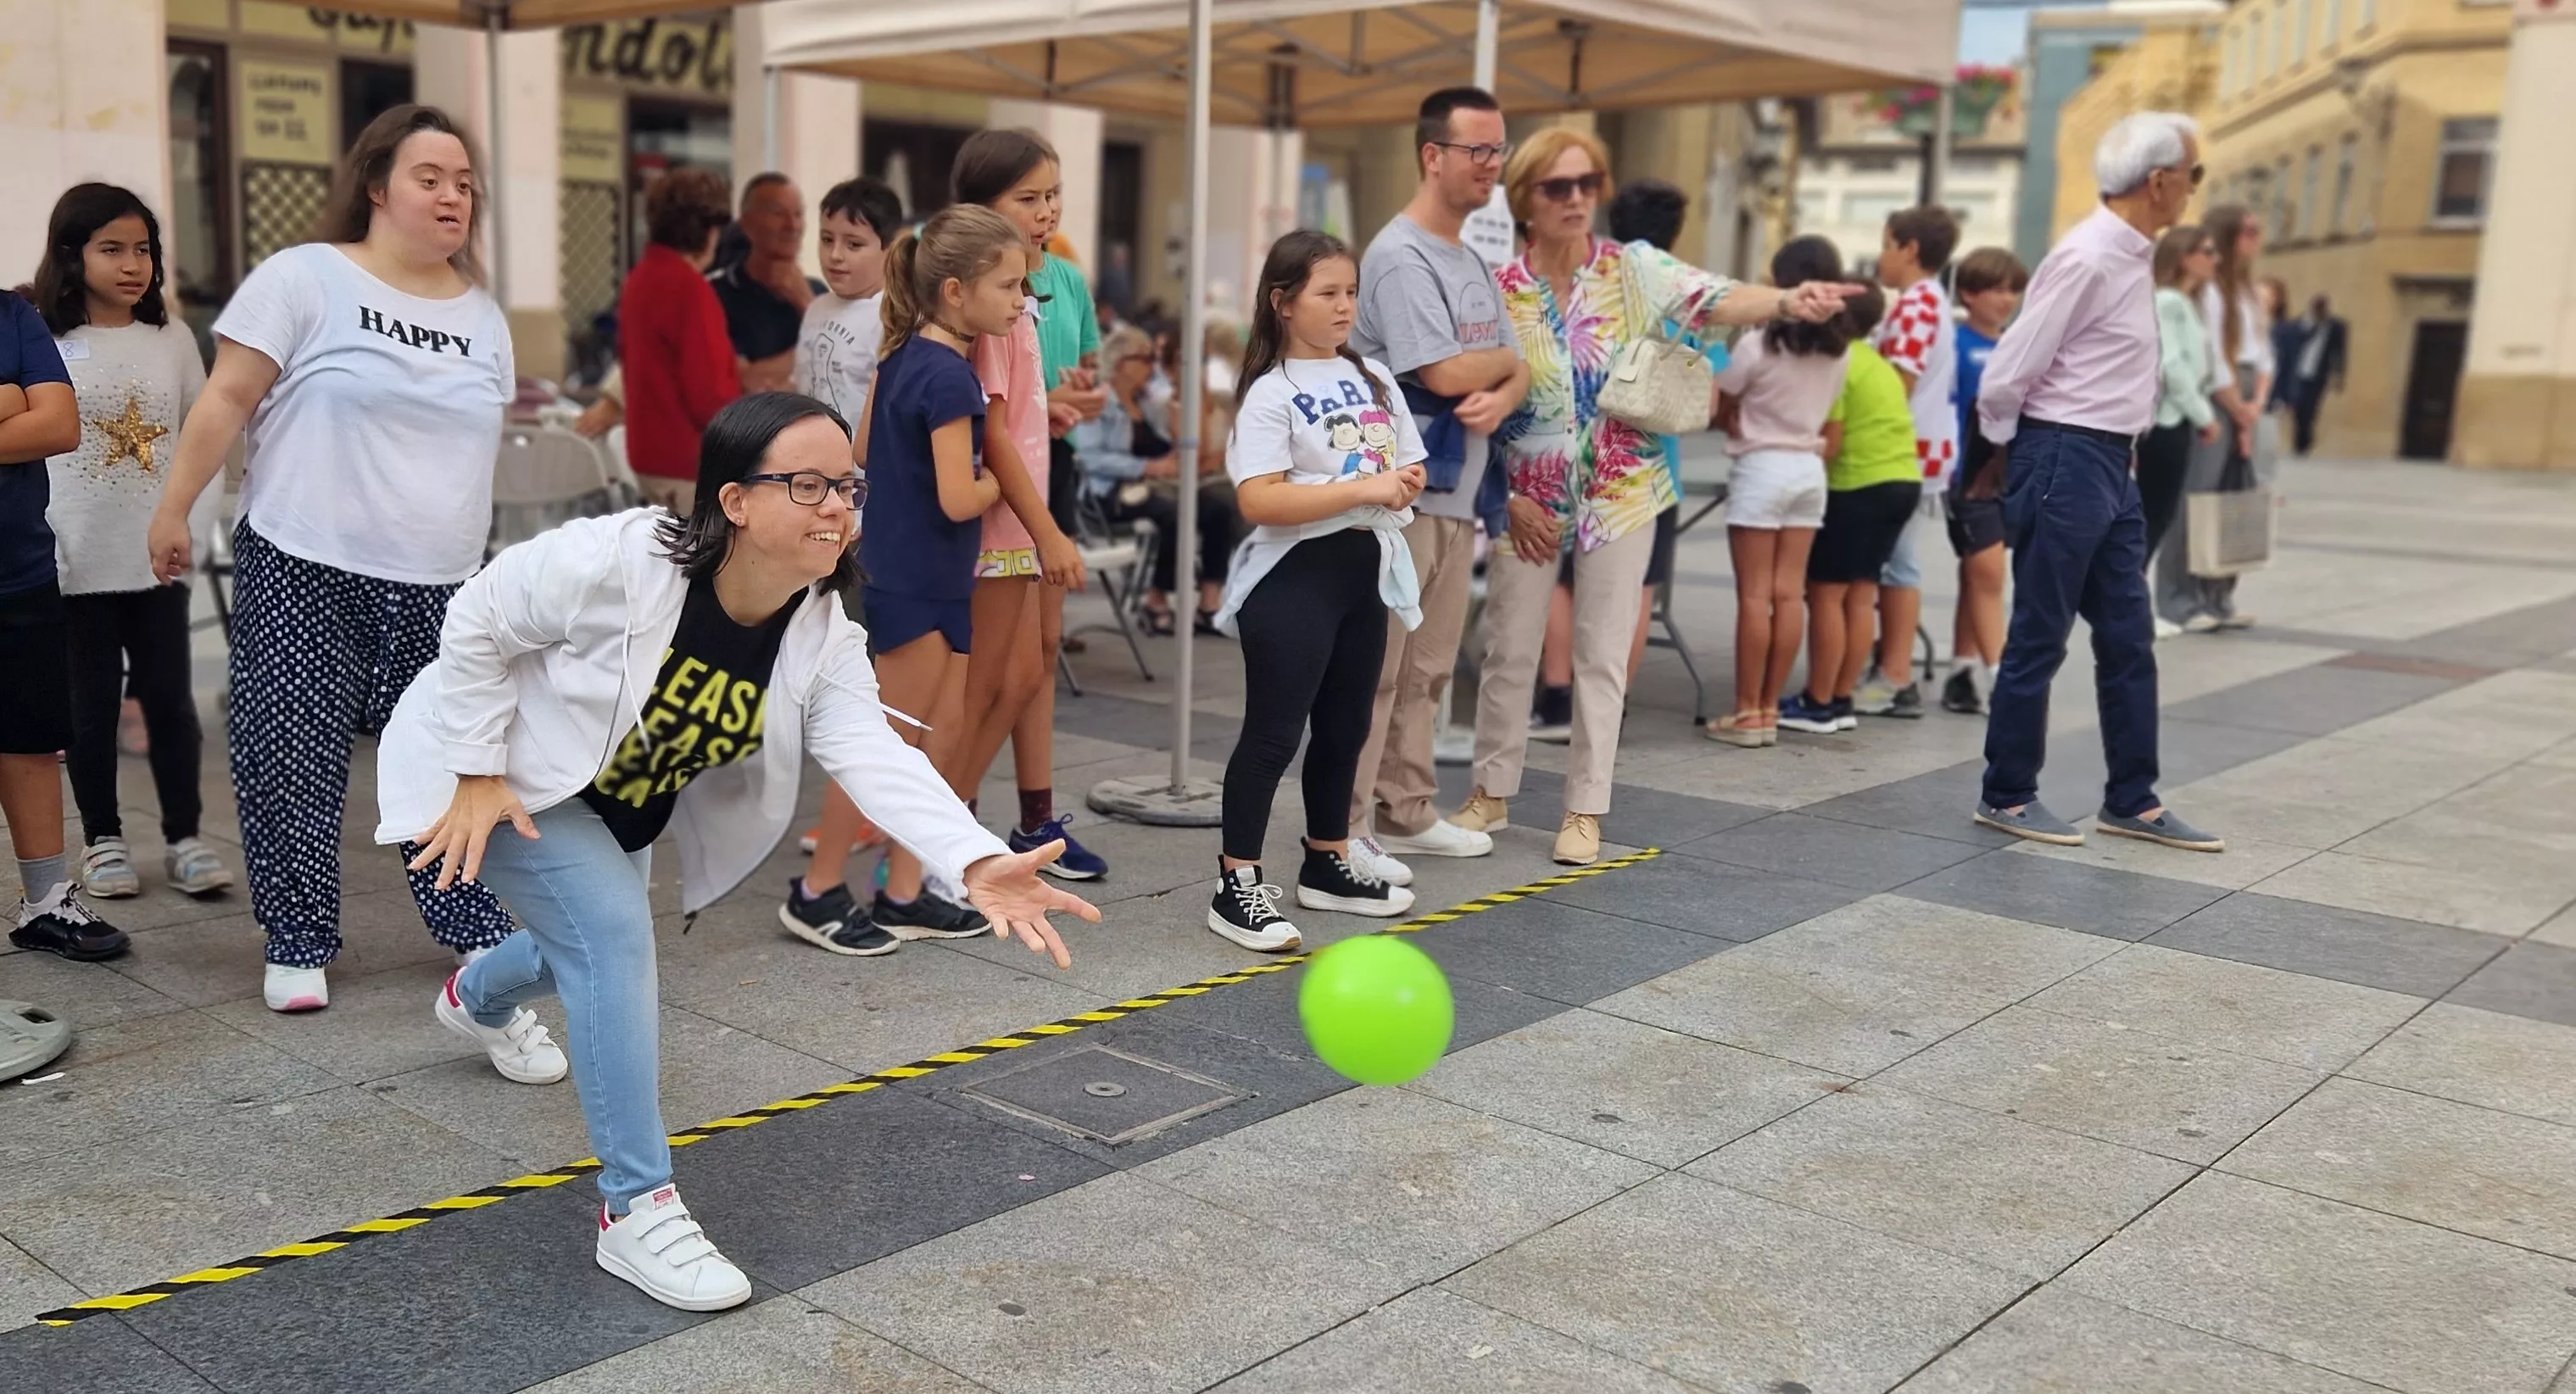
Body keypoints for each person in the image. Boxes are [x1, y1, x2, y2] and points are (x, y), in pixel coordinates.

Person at [387, 392, 1096, 1311]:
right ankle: (634, 1208)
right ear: (733, 502)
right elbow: (479, 614)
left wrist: (969, 858)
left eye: (847, 485)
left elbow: (874, 756)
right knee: (609, 943)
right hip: (501, 786)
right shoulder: (621, 559)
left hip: (619, 808)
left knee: (583, 950)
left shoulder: (817, 632)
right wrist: (479, 766)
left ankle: (473, 997)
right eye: (806, 484)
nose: (836, 505)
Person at [148, 104, 521, 1011]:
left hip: (441, 581)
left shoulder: (483, 315)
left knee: (447, 758)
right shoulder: (305, 278)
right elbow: (225, 399)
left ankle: (471, 927)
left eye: (464, 183)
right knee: (289, 751)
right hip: (305, 558)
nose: (452, 197)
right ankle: (299, 938)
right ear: (376, 186)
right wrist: (174, 508)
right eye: (430, 178)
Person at [1464, 133, 1838, 863]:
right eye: (1556, 187)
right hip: (1529, 495)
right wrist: (1504, 496)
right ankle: (1490, 791)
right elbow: (1479, 396)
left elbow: (1715, 296)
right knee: (1508, 647)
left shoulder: (1633, 268)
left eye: (1586, 184)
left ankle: (1584, 808)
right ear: (1526, 202)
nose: (1576, 198)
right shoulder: (1498, 288)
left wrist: (1791, 298)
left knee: (1602, 652)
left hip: (1623, 489)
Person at [1967, 110, 2222, 855]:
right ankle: (2007, 794)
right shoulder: (2086, 256)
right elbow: (2011, 369)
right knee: (2040, 635)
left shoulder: (2132, 254)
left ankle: (2132, 801)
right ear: (2159, 180)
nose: (2193, 192)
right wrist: (2024, 453)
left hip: (2112, 462)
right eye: (2193, 176)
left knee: (2129, 638)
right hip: (2065, 456)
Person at [789, 204, 1035, 954]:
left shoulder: (901, 356)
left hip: (918, 573)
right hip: (920, 577)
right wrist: (999, 478)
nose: (1021, 301)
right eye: (1010, 286)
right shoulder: (951, 377)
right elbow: (960, 496)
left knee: (935, 737)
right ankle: (818, 889)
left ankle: (904, 890)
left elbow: (863, 444)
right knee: (887, 745)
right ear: (956, 291)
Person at [1205, 231, 1429, 950]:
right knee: (1274, 735)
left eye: (1352, 292)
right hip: (1293, 580)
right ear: (1283, 302)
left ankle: (1327, 860)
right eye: (1328, 293)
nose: (1345, 306)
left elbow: (1409, 463)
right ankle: (1235, 883)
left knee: (1347, 726)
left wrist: (1394, 483)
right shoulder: (1271, 394)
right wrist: (1363, 487)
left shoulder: (1373, 376)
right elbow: (1260, 501)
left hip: (1364, 573)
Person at [25, 184, 230, 902]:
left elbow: (201, 437)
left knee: (172, 702)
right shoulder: (39, 338)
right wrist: (40, 544)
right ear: (71, 254)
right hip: (74, 561)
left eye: (143, 249)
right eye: (111, 249)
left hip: (157, 559)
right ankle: (103, 839)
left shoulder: (171, 339)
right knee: (90, 710)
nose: (131, 264)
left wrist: (193, 529)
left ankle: (184, 839)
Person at [1347, 86, 1531, 876]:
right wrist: (1496, 368)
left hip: (1460, 493)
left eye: (1499, 150)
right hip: (1405, 490)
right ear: (1433, 155)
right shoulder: (1400, 254)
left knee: (1427, 670)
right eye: (1478, 151)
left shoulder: (1469, 258)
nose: (1494, 166)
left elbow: (1516, 368)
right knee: (1380, 671)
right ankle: (1346, 829)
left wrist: (1503, 376)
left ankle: (1409, 807)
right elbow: (1449, 369)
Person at [1527, 177, 1702, 744]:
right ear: (1674, 232)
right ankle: (1606, 708)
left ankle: (1555, 696)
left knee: (1559, 575)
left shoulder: (1593, 280)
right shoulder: (1675, 289)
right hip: (1648, 469)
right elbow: (1712, 375)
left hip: (1571, 453)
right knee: (1635, 590)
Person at [2, 277, 127, 960]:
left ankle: (46, 902)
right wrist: (7, 399)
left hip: (16, 567)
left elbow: (59, 424)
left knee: (28, 737)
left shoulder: (13, 315)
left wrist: (27, 405)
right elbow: (29, 412)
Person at [1705, 236, 1855, 748]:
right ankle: (1769, 706)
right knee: (1790, 595)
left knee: (1754, 595)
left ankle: (1747, 711)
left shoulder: (1758, 343)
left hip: (1761, 468)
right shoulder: (1842, 351)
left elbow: (1718, 392)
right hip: (1808, 473)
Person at [1779, 287, 1921, 733]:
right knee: (1861, 594)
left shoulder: (1837, 363)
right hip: (1902, 482)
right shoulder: (1879, 364)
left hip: (1857, 485)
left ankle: (1818, 702)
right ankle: (1841, 699)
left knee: (1825, 593)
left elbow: (1833, 442)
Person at [1853, 206, 1960, 722]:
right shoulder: (1926, 302)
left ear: (1910, 249)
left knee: (1897, 564)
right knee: (1895, 561)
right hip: (1917, 450)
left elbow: (1899, 384)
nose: (1882, 255)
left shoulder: (1918, 304)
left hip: (1905, 452)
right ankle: (1890, 672)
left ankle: (1895, 676)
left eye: (1887, 243)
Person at [1070, 324, 1235, 626]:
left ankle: (1210, 599)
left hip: (1155, 487)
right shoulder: (1098, 402)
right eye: (1145, 358)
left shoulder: (1147, 402)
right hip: (1112, 494)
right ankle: (1156, 597)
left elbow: (1176, 441)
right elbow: (1091, 459)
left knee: (1217, 510)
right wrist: (1148, 467)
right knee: (1176, 514)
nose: (1153, 365)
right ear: (1122, 364)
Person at [2163, 204, 2274, 634]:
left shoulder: (2250, 291)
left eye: (2257, 229)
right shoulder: (2209, 293)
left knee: (2236, 495)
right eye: (2247, 230)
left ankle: (2219, 593)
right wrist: (2237, 410)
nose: (2254, 237)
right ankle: (2179, 598)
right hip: (2219, 394)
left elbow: (2263, 352)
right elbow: (2214, 355)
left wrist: (2258, 401)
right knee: (2198, 495)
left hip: (2248, 394)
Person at [619, 168, 740, 516]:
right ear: (708, 229)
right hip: (690, 463)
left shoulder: (640, 278)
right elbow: (710, 398)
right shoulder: (690, 289)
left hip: (648, 455)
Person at [1939, 246, 2026, 716]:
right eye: (1996, 289)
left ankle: (1960, 670)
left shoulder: (2017, 343)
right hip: (1964, 473)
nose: (2007, 298)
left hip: (2009, 472)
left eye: (2013, 289)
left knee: (1977, 571)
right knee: (1989, 571)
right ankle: (2002, 681)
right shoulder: (1952, 345)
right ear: (1969, 294)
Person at [2137, 224, 2220, 624]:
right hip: (2167, 418)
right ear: (2184, 257)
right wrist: (2204, 415)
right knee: (2154, 514)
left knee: (2157, 514)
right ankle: (2131, 609)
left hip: (2176, 416)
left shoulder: (2186, 303)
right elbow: (2170, 364)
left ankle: (2130, 607)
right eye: (2206, 251)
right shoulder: (2168, 300)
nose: (2214, 259)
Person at [791, 176, 901, 423]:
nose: (835, 255)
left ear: (891, 249)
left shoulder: (893, 318)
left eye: (854, 244)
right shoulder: (817, 308)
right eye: (827, 239)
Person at [708, 174, 823, 393]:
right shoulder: (718, 295)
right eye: (778, 213)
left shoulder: (818, 293)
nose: (793, 225)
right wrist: (814, 342)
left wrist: (806, 305)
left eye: (798, 214)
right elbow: (747, 381)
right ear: (746, 224)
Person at [2283, 293, 2345, 457]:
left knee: (2311, 408)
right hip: (2298, 373)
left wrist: (2339, 376)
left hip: (2318, 375)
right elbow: (2292, 345)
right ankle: (2299, 442)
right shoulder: (2302, 323)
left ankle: (2304, 443)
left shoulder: (2336, 327)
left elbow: (2340, 352)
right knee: (2297, 407)